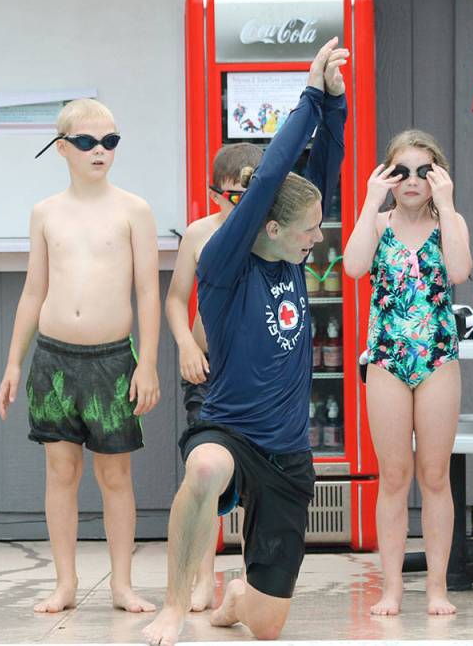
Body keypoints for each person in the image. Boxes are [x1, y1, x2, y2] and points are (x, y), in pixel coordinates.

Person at [142, 38, 348, 646]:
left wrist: (334, 105)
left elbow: (322, 171)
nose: (318, 239)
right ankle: (175, 605)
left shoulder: (290, 252)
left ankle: (237, 595)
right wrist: (309, 94)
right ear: (273, 227)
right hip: (230, 427)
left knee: (266, 629)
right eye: (309, 232)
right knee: (204, 467)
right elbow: (266, 185)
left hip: (287, 450)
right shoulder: (225, 262)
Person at [0, 98, 161, 614]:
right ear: (63, 148)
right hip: (54, 360)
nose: (100, 151)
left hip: (113, 360)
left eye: (110, 141)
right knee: (60, 474)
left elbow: (148, 292)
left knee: (116, 477)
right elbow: (32, 290)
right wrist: (13, 361)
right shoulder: (45, 213)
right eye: (88, 142)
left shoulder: (135, 210)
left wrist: (150, 362)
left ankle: (122, 584)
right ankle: (64, 582)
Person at [342, 130, 471, 616]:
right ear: (388, 177)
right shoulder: (377, 224)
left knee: (434, 476)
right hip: (388, 359)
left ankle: (436, 586)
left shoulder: (449, 221)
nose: (412, 181)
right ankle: (392, 587)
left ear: (436, 175)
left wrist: (448, 201)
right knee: (393, 476)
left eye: (423, 171)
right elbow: (353, 268)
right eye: (402, 171)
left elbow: (459, 271)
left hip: (437, 355)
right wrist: (370, 200)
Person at [165, 141, 262, 612]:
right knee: (203, 474)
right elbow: (175, 298)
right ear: (214, 193)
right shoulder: (199, 235)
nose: (235, 206)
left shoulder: (271, 236)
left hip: (254, 372)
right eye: (228, 196)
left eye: (247, 196)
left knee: (257, 476)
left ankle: (248, 576)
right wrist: (184, 344)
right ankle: (203, 576)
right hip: (207, 367)